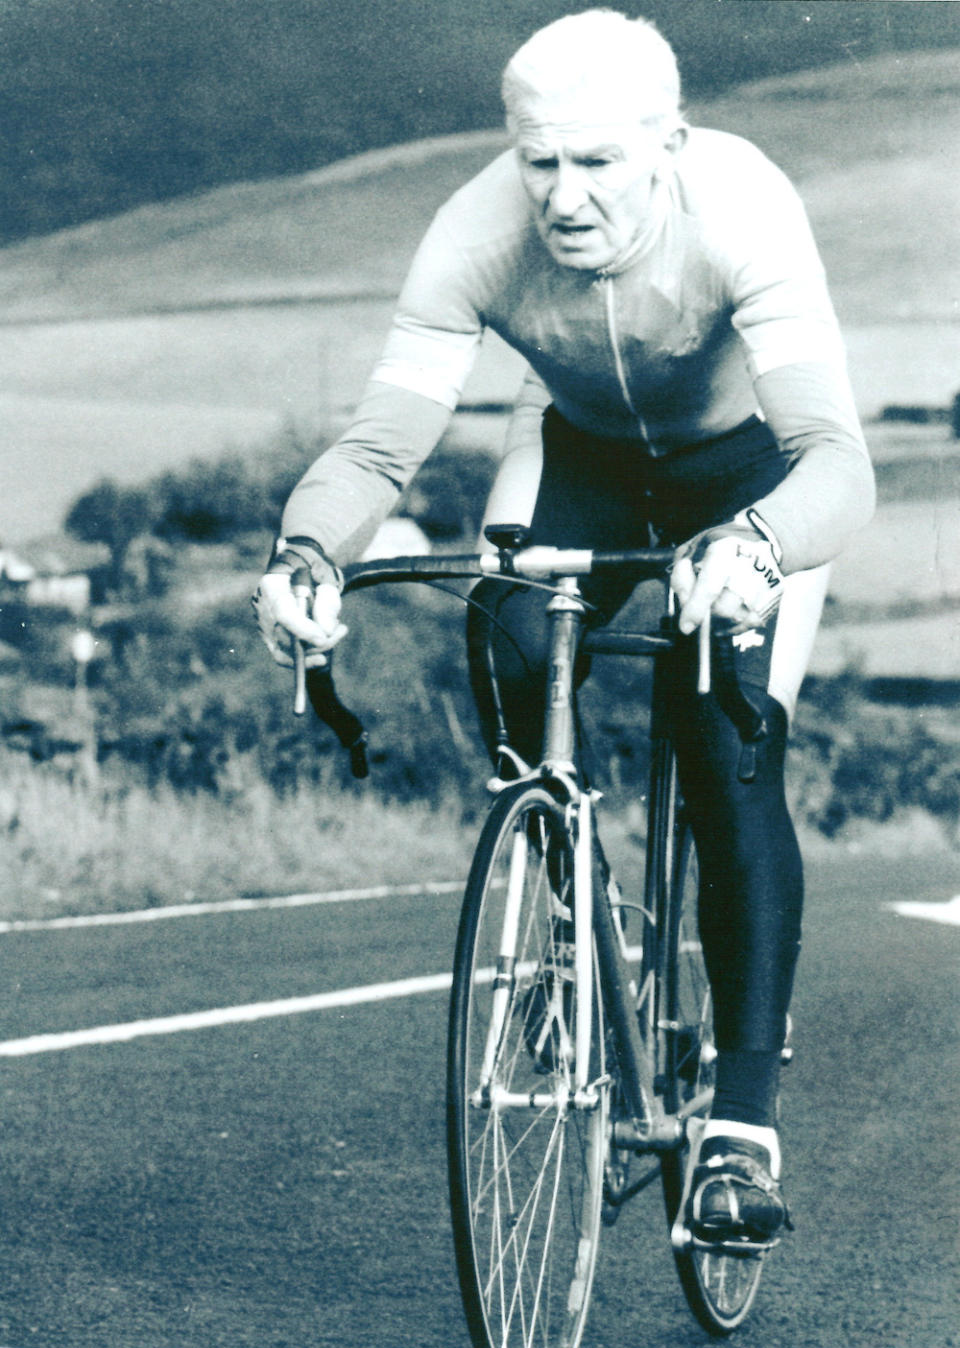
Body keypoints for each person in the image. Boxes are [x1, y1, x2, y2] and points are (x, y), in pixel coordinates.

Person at [254, 10, 875, 1244]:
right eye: (542, 161)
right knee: (510, 635)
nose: (565, 196)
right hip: (577, 456)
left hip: (749, 477)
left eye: (598, 163)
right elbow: (380, 444)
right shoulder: (473, 235)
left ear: (669, 144)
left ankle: (740, 1130)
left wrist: (756, 548)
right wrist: (304, 552)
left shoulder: (744, 206)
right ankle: (571, 926)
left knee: (725, 748)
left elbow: (837, 462)